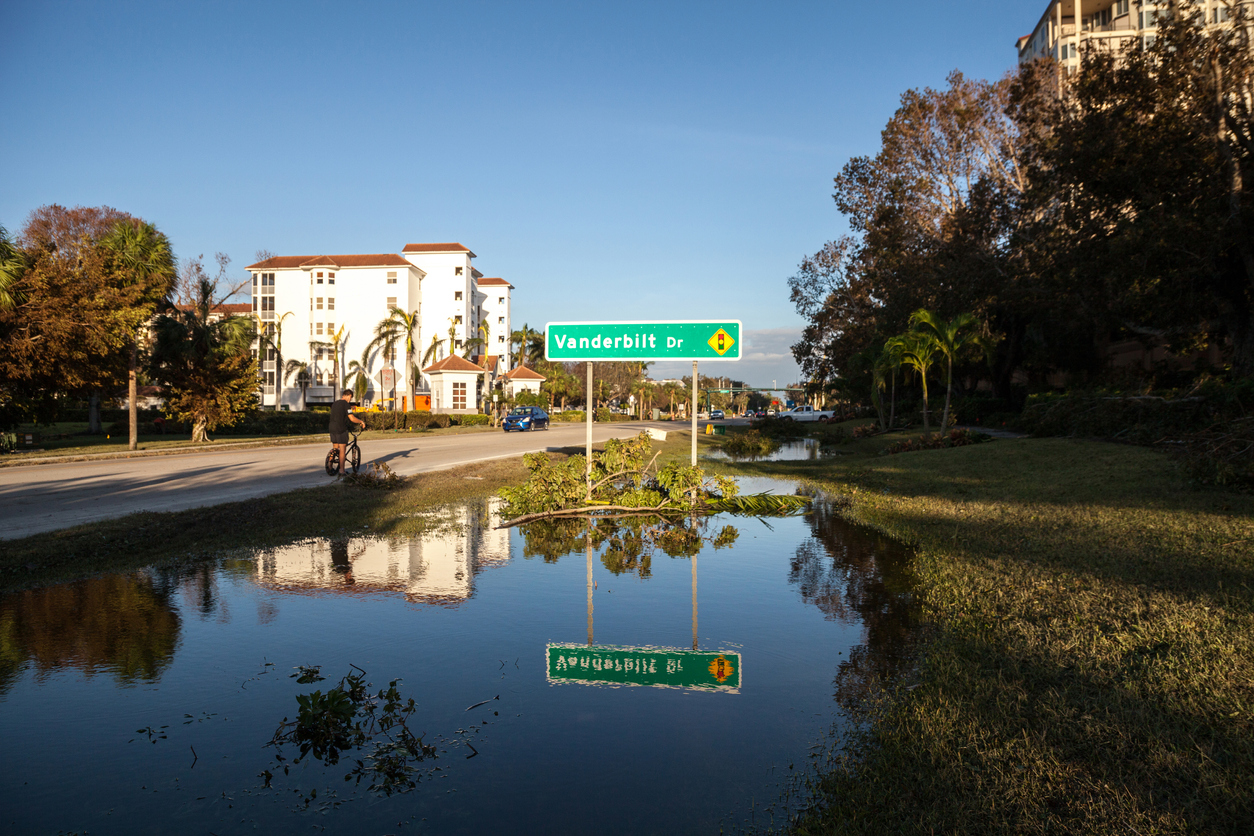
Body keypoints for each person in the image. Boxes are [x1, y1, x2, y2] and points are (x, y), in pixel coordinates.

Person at [329, 389, 365, 477]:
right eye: (350, 397)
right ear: (349, 396)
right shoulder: (346, 404)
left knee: (335, 448)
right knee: (342, 449)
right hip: (341, 429)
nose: (350, 399)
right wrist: (361, 421)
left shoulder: (335, 403)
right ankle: (341, 471)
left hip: (332, 428)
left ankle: (329, 466)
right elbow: (352, 418)